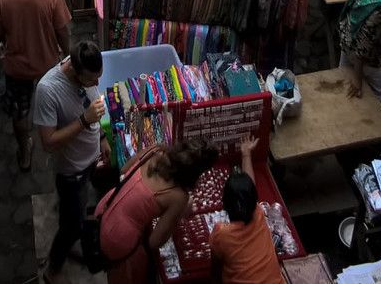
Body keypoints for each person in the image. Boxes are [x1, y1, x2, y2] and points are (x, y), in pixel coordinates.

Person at [0, 0, 71, 169]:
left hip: (17, 67)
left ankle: (24, 153)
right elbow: (62, 30)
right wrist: (67, 54)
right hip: (48, 64)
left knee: (19, 112)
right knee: (55, 105)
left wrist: (0, 49)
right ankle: (60, 143)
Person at [34, 41, 108, 282]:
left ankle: (69, 210)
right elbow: (48, 142)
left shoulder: (82, 65)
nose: (96, 84)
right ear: (75, 72)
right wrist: (85, 122)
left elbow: (92, 102)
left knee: (77, 204)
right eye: (91, 80)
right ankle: (52, 269)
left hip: (87, 162)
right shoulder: (48, 90)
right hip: (70, 171)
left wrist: (102, 137)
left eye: (99, 78)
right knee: (71, 228)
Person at [97, 141, 218, 284]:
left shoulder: (155, 150)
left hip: (105, 207)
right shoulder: (178, 196)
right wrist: (178, 214)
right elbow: (154, 242)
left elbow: (124, 170)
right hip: (118, 237)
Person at [209, 137, 282, 284]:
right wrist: (246, 154)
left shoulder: (221, 234)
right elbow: (249, 188)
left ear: (225, 204)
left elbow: (215, 268)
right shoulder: (258, 214)